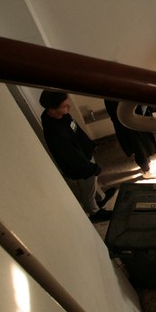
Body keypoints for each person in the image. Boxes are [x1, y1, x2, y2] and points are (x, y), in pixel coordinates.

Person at [39, 91, 114, 222]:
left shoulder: (62, 115)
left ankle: (100, 199)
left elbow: (76, 130)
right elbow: (71, 156)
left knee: (92, 184)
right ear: (52, 110)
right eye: (64, 106)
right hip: (81, 166)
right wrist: (91, 168)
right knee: (87, 189)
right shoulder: (56, 133)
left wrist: (90, 144)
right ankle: (94, 212)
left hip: (85, 155)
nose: (69, 106)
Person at [104, 100, 156, 176]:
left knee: (145, 142)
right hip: (129, 122)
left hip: (136, 115)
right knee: (139, 147)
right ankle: (146, 170)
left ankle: (146, 163)